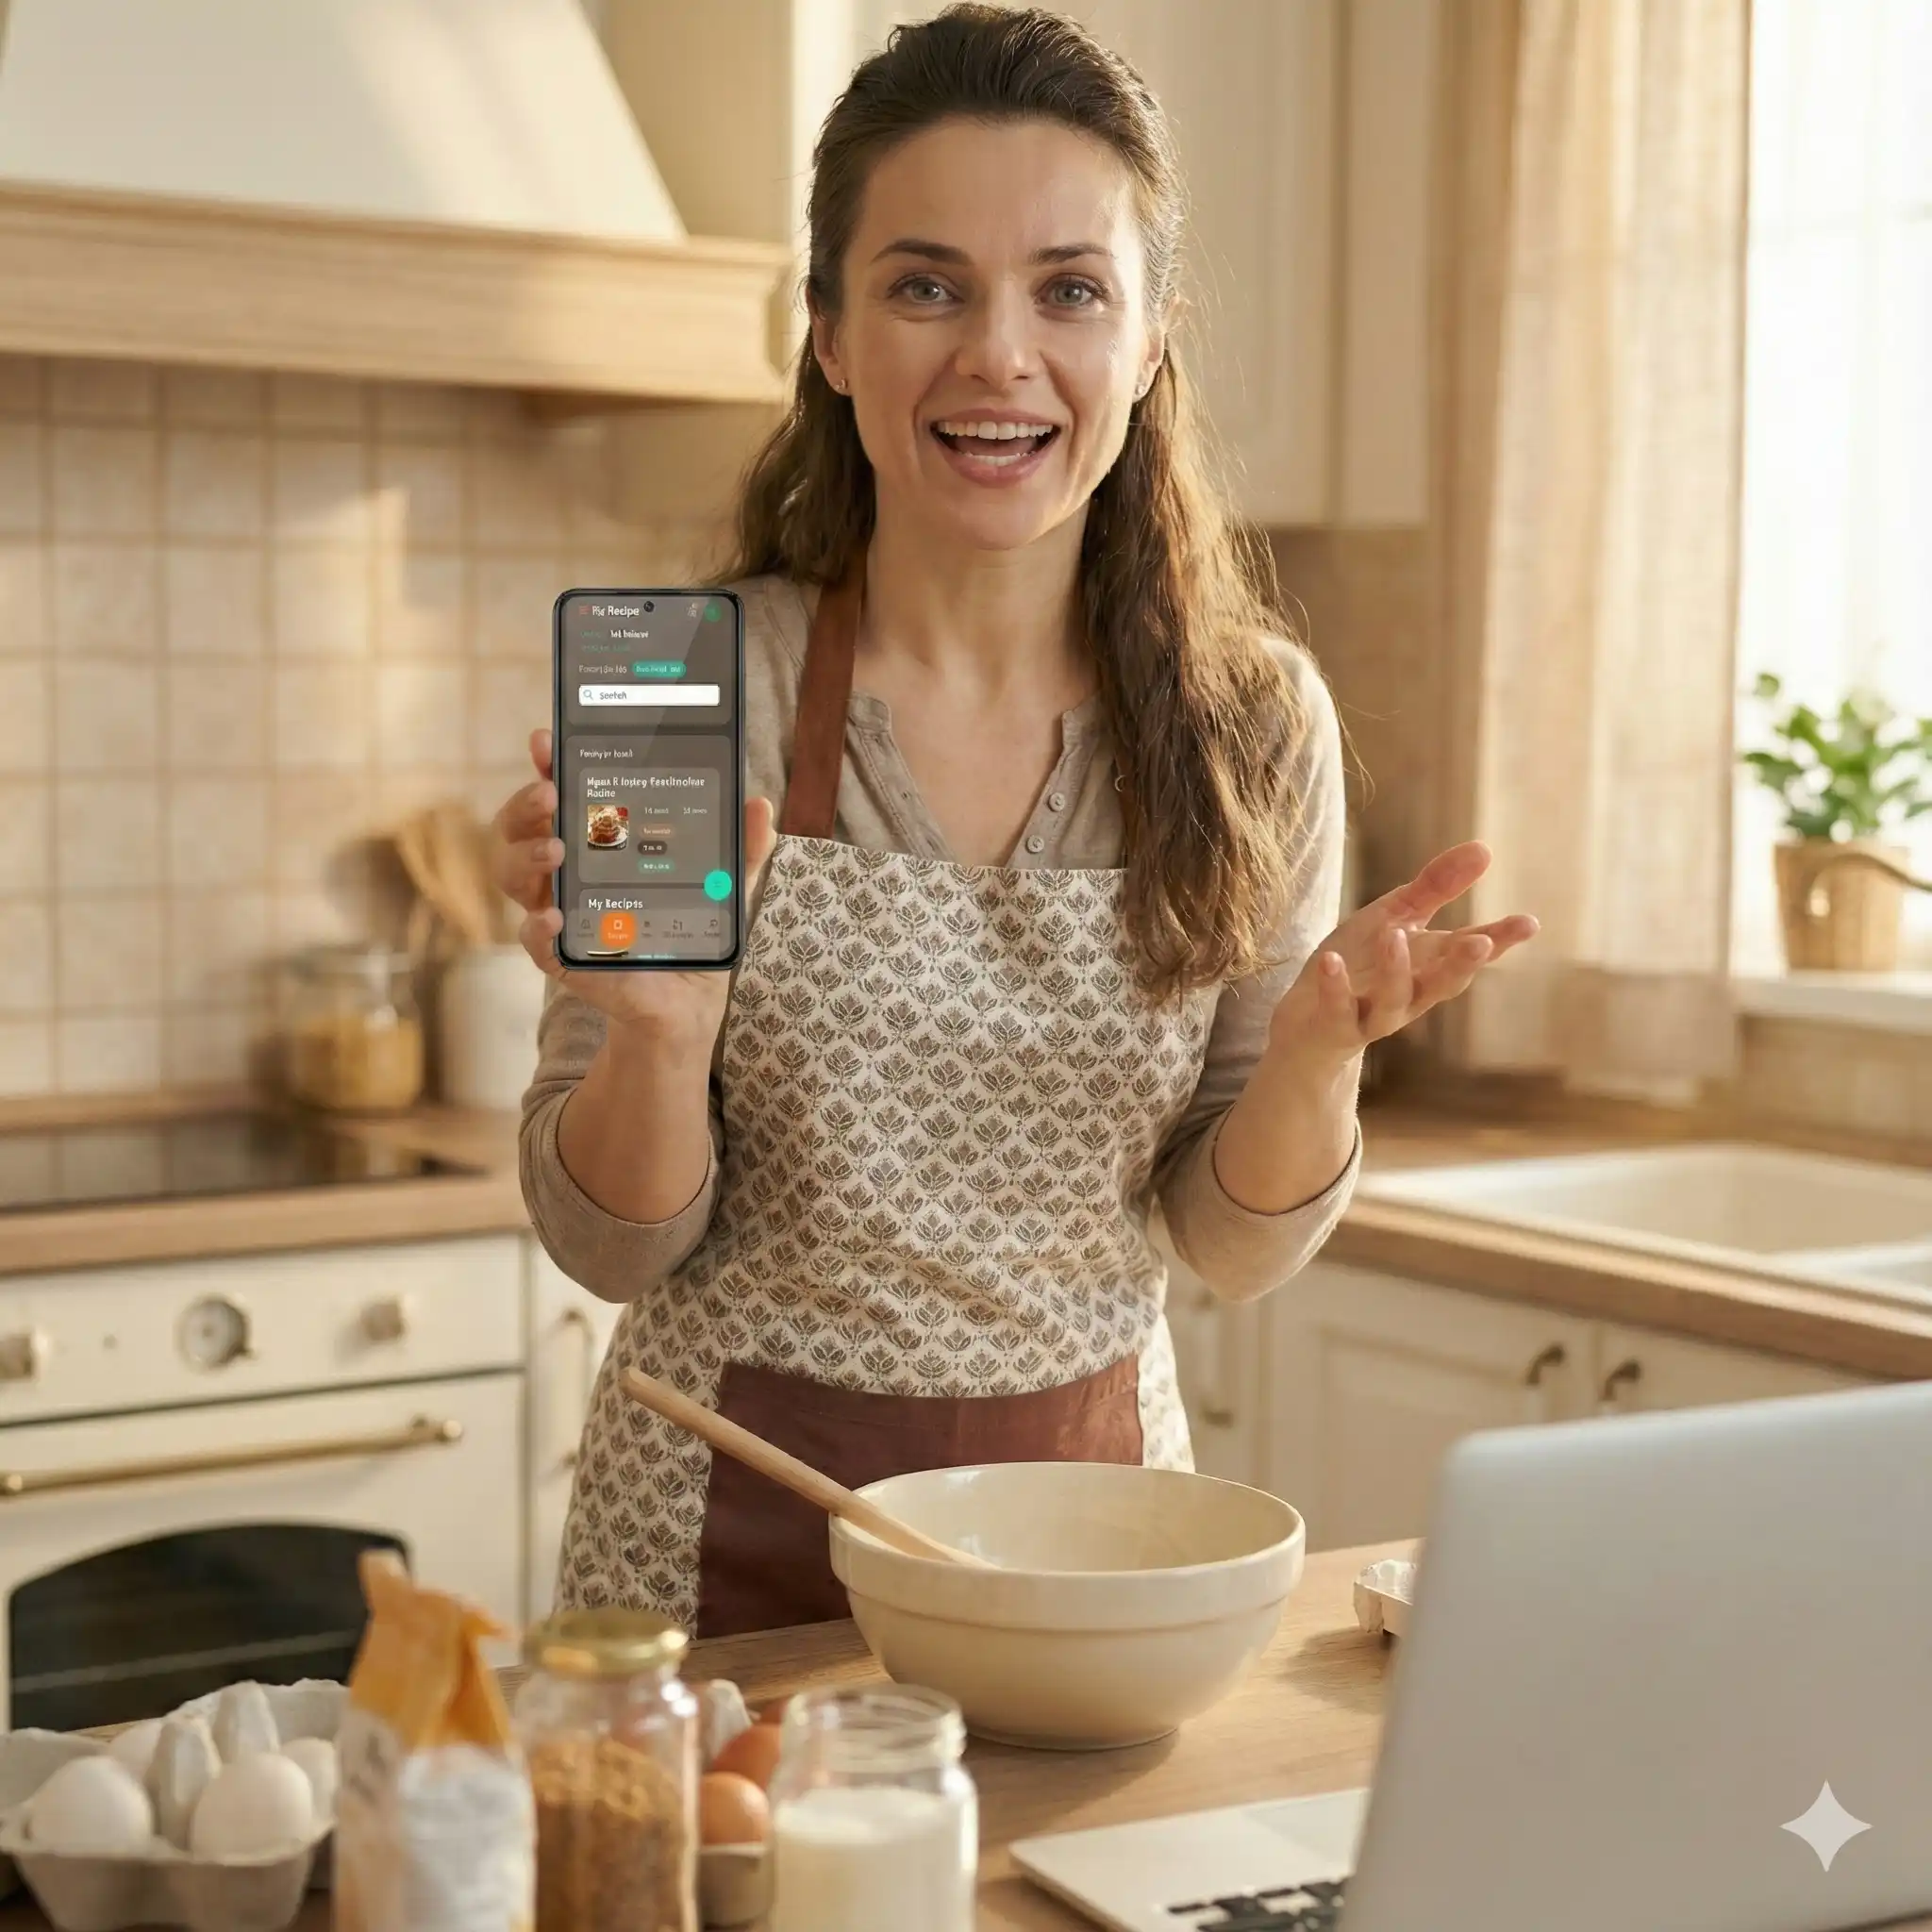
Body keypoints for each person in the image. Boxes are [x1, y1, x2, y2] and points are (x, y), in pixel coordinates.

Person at [491, 4, 1537, 1636]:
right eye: (926, 286)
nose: (998, 354)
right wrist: (650, 1034)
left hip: (1090, 1547)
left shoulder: (1248, 726)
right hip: (707, 1559)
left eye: (1069, 289)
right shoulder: (683, 690)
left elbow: (1228, 1245)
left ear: (1149, 335)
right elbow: (613, 1252)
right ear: (831, 333)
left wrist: (1322, 1058)